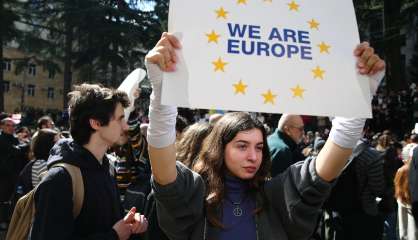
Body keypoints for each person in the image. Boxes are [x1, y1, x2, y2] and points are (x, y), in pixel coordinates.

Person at [144, 33, 385, 240]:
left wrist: (357, 103)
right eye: (241, 146)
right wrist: (162, 98)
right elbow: (163, 174)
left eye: (259, 147)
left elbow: (326, 169)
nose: (253, 156)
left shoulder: (277, 194)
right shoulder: (195, 194)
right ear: (219, 147)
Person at [30, 84, 148, 240]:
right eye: (120, 119)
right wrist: (114, 235)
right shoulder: (59, 179)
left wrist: (129, 225)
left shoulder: (107, 168)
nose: (125, 126)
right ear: (96, 123)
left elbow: (106, 224)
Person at [395, 162, 418, 240]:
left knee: (403, 227)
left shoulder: (401, 170)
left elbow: (397, 187)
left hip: (402, 200)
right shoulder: (411, 169)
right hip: (412, 201)